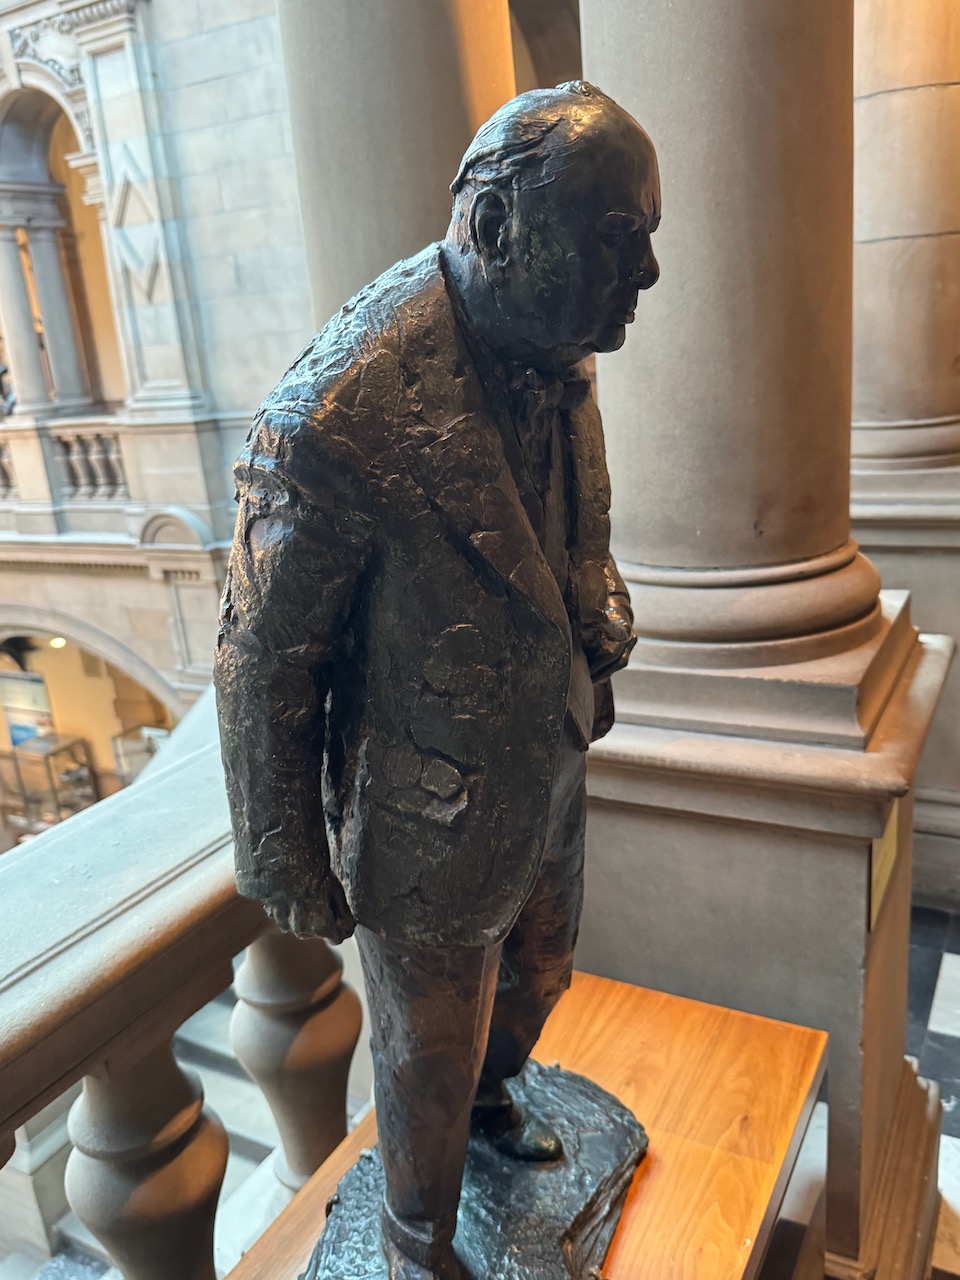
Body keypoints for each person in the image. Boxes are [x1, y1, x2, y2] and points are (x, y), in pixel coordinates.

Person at [214, 81, 660, 1280]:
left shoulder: (558, 342)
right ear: (498, 225)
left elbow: (573, 504)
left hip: (546, 754)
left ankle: (495, 1103)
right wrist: (286, 856)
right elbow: (263, 655)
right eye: (620, 237)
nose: (649, 271)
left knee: (544, 975)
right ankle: (416, 1242)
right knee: (426, 1051)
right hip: (423, 814)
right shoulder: (335, 413)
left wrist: (594, 585)